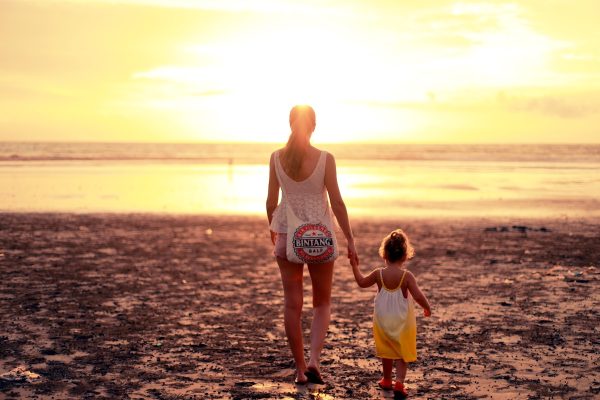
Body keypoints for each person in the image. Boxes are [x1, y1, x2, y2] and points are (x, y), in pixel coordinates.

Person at [266, 105, 359, 385]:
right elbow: (338, 202)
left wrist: (274, 229)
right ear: (314, 126)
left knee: (292, 305)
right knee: (322, 302)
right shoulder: (326, 159)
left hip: (286, 234)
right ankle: (314, 361)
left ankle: (299, 369)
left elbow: (271, 201)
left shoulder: (275, 158)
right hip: (320, 238)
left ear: (290, 124)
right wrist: (350, 238)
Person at [350, 228, 431, 398]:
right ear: (404, 256)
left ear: (384, 254)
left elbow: (361, 282)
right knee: (401, 353)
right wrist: (427, 307)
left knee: (387, 350)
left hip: (383, 321)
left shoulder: (378, 274)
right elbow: (418, 295)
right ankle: (399, 383)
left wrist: (354, 266)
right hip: (402, 323)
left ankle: (387, 380)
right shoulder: (407, 276)